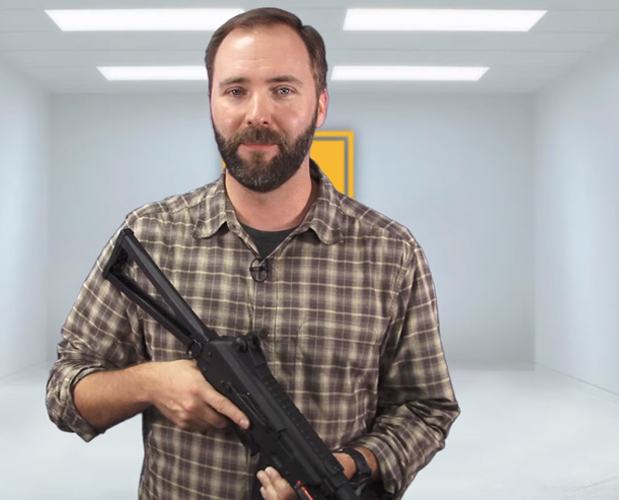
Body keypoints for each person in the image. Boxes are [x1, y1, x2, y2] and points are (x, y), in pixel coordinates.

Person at [46, 7, 459, 500]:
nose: (257, 114)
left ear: (320, 105)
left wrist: (354, 464)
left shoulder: (391, 253)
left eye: (283, 90)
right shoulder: (150, 235)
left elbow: (426, 408)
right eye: (236, 90)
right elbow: (65, 392)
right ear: (212, 103)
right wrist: (149, 383)